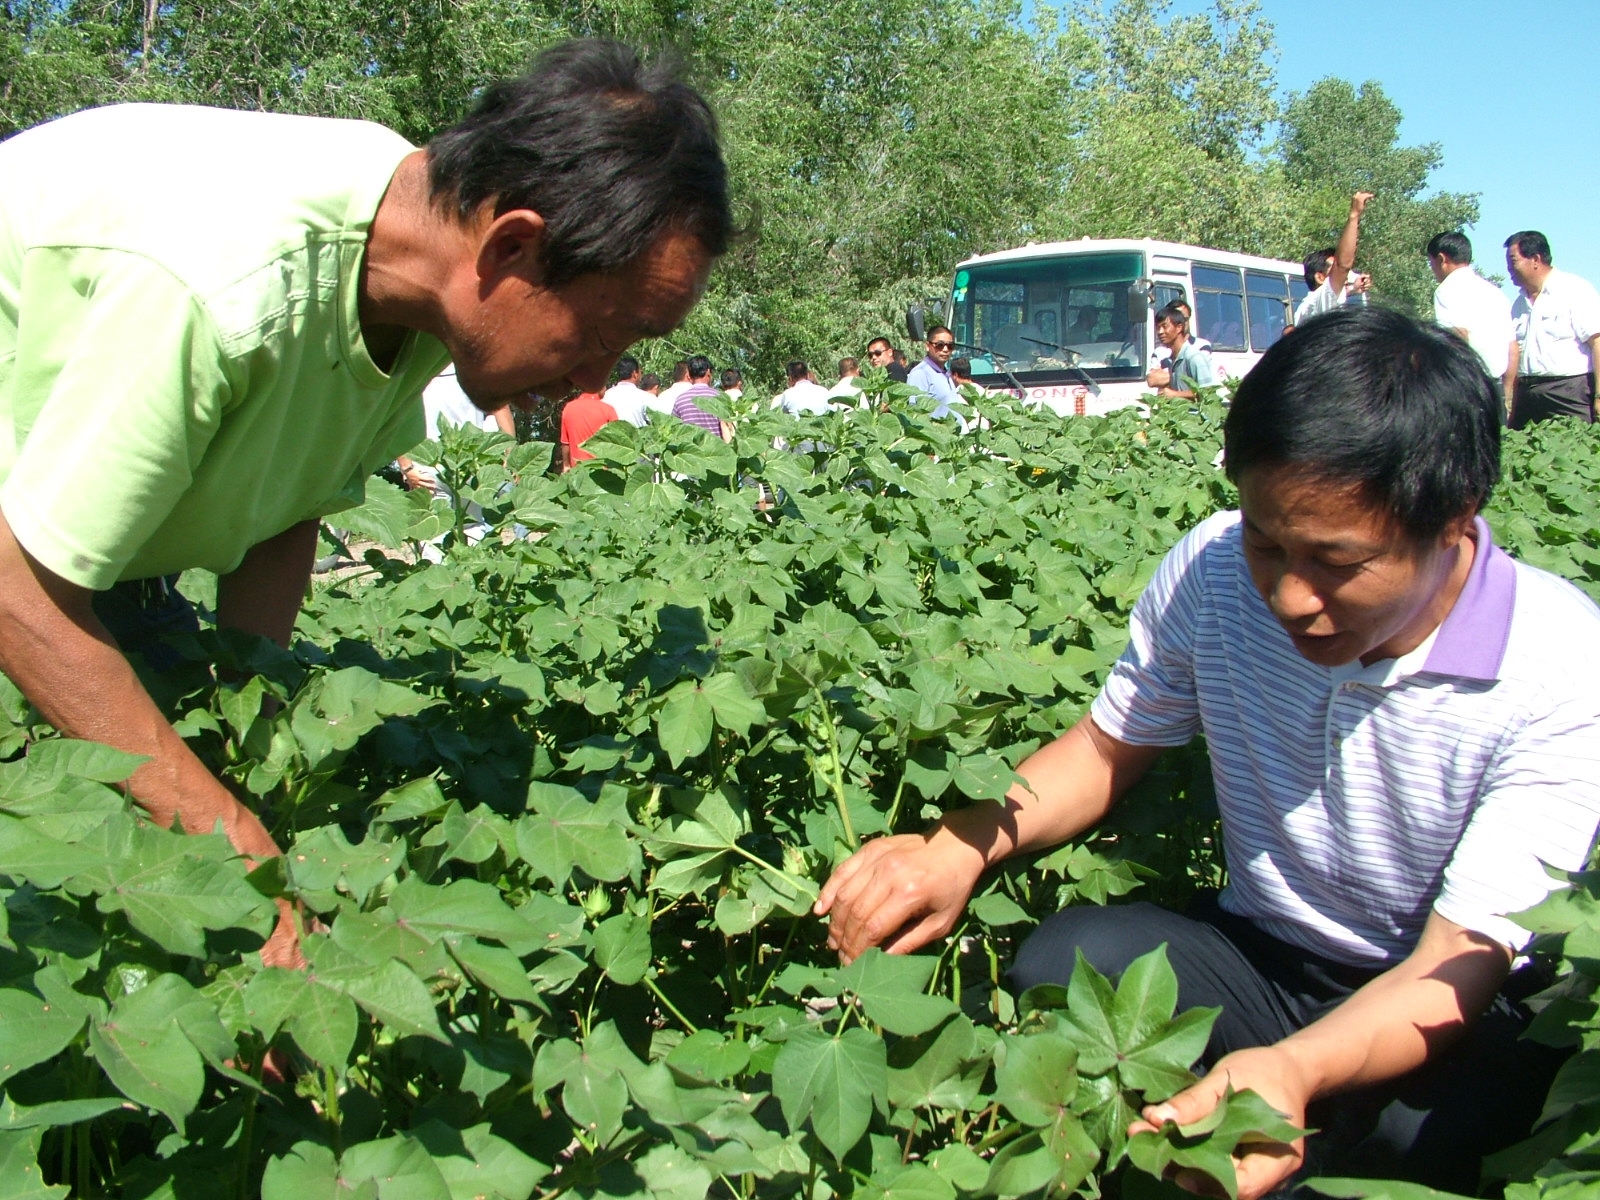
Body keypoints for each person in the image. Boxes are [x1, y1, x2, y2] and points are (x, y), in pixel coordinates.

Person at [815, 306, 1600, 1195]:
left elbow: (1458, 961)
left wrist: (1295, 1072)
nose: (1291, 597)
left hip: (1446, 993)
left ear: (1454, 518)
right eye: (1268, 541)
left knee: (1428, 1150)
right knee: (1065, 966)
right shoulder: (1215, 569)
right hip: (1262, 955)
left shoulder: (1557, 667)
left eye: (1336, 562)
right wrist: (961, 842)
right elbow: (1106, 750)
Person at [0, 38, 730, 967]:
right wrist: (226, 837)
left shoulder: (420, 264)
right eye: (605, 332)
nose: (597, 376)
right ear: (513, 245)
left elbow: (286, 503)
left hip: (84, 577)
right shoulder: (218, 284)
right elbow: (17, 590)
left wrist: (248, 739)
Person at [1504, 230, 1600, 429]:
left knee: (1574, 453)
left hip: (1568, 392)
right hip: (1528, 394)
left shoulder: (1574, 289)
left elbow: (1597, 342)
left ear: (1536, 259)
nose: (1508, 269)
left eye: (1513, 261)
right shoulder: (1519, 305)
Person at [1422, 232, 1516, 412]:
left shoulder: (1447, 290)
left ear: (1442, 259)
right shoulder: (1495, 293)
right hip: (1495, 387)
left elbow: (1458, 336)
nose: (1432, 268)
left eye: (1431, 262)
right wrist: (1508, 393)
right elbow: (1512, 348)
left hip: (1470, 385)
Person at [1293, 192, 1375, 327]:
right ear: (1319, 277)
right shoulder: (1317, 300)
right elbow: (1342, 266)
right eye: (1333, 269)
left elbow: (1336, 293)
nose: (1344, 276)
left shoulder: (1313, 306)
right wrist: (1354, 216)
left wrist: (1353, 288)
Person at [1145, 303, 1217, 398]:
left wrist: (1175, 395)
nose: (1160, 332)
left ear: (1179, 327)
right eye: (1158, 328)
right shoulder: (1172, 359)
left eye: (1165, 326)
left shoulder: (1193, 357)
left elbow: (1209, 393)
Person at [671, 355, 731, 440]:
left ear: (689, 375)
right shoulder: (719, 397)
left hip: (692, 451)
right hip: (716, 450)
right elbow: (727, 430)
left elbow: (675, 430)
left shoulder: (680, 400)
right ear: (708, 372)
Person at [907, 326, 961, 419]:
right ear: (927, 346)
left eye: (950, 346)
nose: (945, 349)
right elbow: (916, 413)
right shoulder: (920, 373)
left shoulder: (945, 373)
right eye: (940, 345)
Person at [558, 390, 619, 469]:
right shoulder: (608, 409)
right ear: (599, 387)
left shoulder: (568, 408)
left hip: (578, 470)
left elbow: (565, 443)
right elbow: (617, 441)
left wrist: (566, 465)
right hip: (602, 471)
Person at [602, 355, 651, 427]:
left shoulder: (606, 396)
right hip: (636, 437)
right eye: (641, 372)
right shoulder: (645, 397)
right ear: (635, 374)